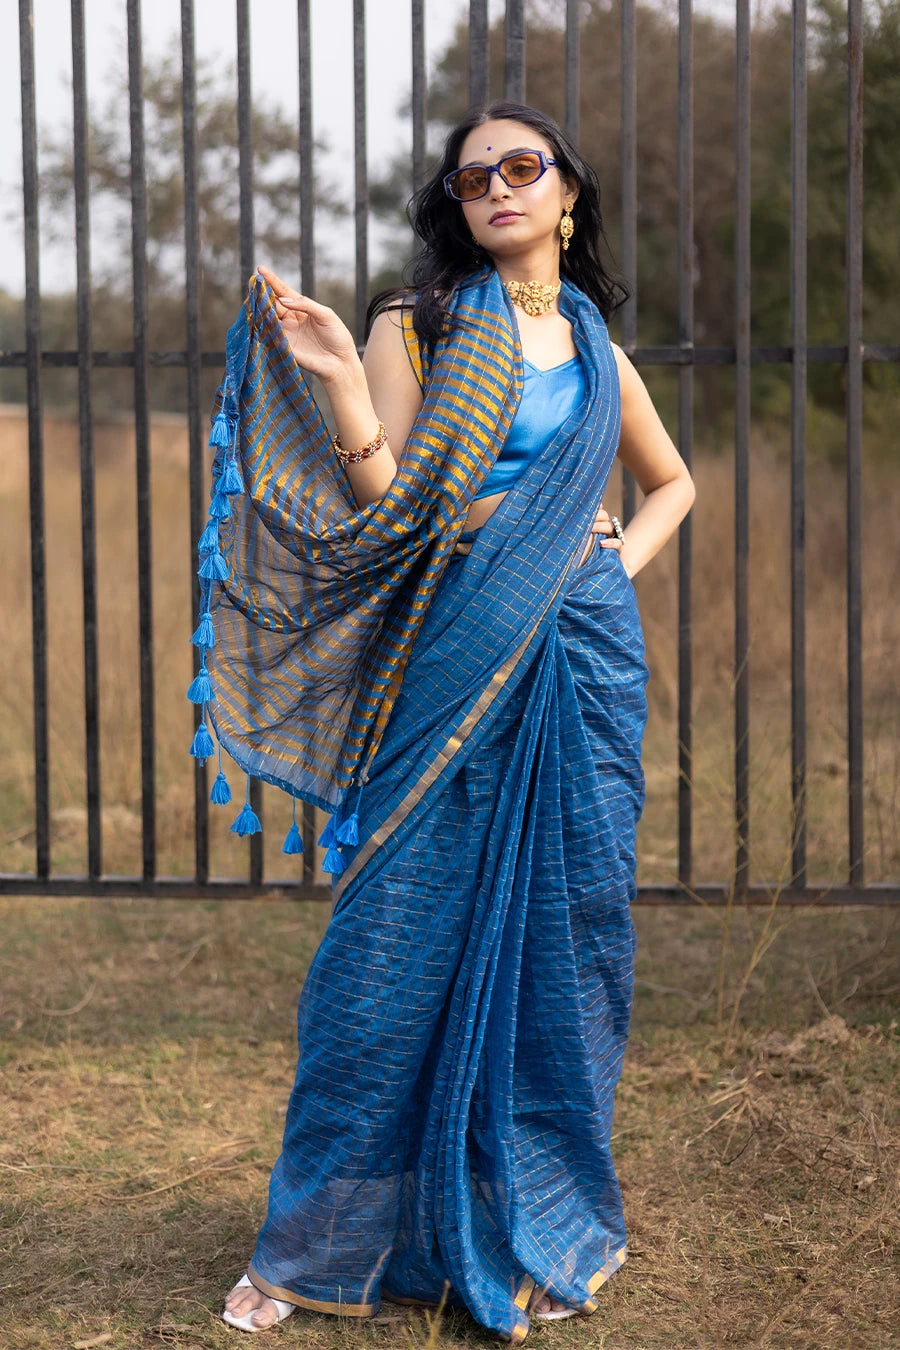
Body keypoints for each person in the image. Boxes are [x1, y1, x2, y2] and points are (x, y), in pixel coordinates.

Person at [216, 100, 694, 1341]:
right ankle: (309, 1243)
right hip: (457, 645)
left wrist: (601, 561)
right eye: (473, 175)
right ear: (458, 203)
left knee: (566, 934)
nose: (496, 187)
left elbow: (672, 480)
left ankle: (532, 1211)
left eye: (522, 167)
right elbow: (391, 500)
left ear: (568, 194)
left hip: (582, 654)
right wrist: (334, 382)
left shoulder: (592, 340)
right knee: (388, 932)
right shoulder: (417, 322)